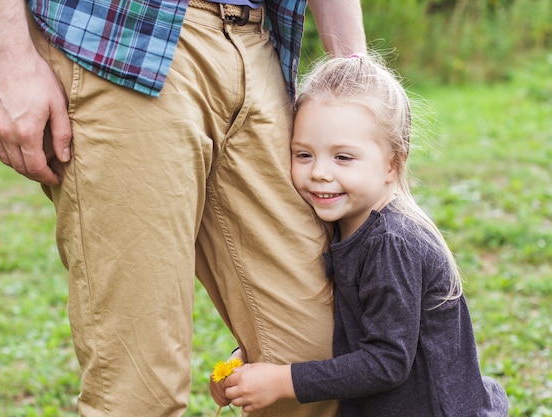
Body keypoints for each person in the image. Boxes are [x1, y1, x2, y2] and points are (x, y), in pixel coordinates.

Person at [0, 0, 367, 416]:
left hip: (255, 43)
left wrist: (356, 79)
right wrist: (5, 53)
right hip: (120, 40)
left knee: (314, 364)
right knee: (141, 390)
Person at [216, 54, 510, 416]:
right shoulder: (336, 224)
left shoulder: (391, 242)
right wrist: (253, 357)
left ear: (392, 163)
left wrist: (281, 380)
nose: (320, 172)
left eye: (343, 157)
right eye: (303, 154)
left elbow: (387, 361)